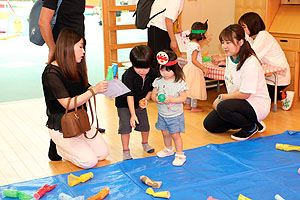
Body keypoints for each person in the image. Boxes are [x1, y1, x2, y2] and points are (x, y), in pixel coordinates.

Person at [39, 1, 105, 161]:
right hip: (66, 46)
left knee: (102, 154)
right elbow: (43, 22)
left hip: (75, 45)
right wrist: (53, 49)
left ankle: (80, 127)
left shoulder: (79, 55)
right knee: (88, 160)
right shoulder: (52, 72)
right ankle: (59, 144)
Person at [203, 24, 271, 141]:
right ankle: (252, 122)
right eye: (223, 42)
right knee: (210, 124)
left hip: (255, 104)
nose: (224, 46)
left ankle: (250, 127)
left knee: (223, 106)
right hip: (237, 103)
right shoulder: (230, 58)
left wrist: (221, 97)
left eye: (228, 43)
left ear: (240, 42)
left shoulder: (250, 63)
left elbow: (245, 94)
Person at [238, 12, 294, 111]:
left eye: (244, 27)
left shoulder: (263, 36)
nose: (242, 30)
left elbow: (250, 55)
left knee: (253, 95)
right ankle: (279, 95)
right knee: (252, 92)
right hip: (267, 77)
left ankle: (284, 95)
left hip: (278, 78)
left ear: (252, 25)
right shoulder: (251, 38)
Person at [115, 45, 157, 161]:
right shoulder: (128, 75)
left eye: (146, 68)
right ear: (132, 64)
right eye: (138, 68)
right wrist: (132, 115)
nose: (143, 71)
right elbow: (129, 96)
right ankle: (126, 150)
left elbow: (151, 89)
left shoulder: (152, 73)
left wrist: (146, 99)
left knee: (145, 125)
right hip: (124, 103)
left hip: (139, 102)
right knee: (125, 126)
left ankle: (145, 143)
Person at [152, 50, 188, 166]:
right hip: (162, 115)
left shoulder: (179, 82)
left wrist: (171, 100)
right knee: (165, 133)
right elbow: (153, 95)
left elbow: (183, 98)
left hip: (175, 115)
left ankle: (180, 155)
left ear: (175, 69)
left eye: (168, 70)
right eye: (162, 70)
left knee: (175, 135)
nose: (165, 73)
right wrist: (156, 98)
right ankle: (168, 149)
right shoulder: (158, 81)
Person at [147, 0, 184, 72]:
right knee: (161, 63)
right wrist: (173, 40)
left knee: (160, 62)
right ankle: (158, 82)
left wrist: (178, 27)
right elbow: (168, 19)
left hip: (157, 29)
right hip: (159, 30)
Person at [183, 21, 209, 112]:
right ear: (201, 34)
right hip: (194, 69)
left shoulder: (189, 43)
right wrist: (203, 68)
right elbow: (194, 60)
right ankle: (194, 107)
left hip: (188, 68)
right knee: (194, 88)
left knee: (189, 88)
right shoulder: (196, 46)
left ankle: (187, 105)